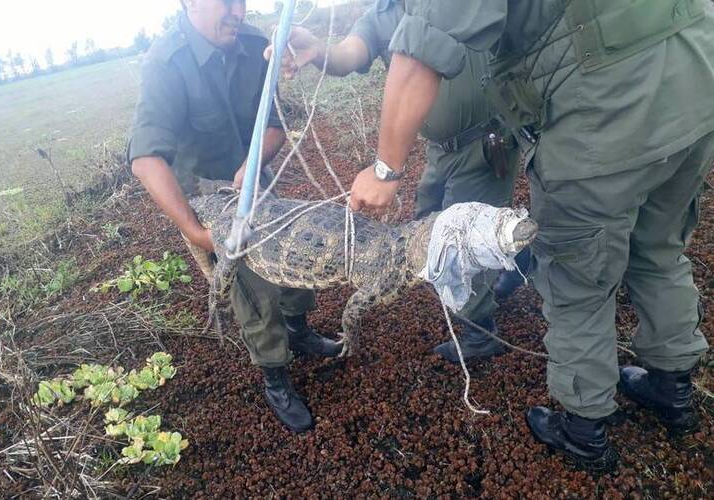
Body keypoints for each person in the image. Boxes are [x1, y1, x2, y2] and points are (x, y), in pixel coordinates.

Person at [349, 0, 714, 472]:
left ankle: (584, 431)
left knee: (576, 280)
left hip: (606, 114)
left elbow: (423, 47)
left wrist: (384, 169)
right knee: (660, 249)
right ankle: (674, 388)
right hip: (695, 84)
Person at [271, 0, 531, 364]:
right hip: (440, 149)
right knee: (426, 224)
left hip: (485, 144)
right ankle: (518, 255)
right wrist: (318, 49)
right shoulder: (383, 13)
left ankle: (479, 333)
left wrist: (384, 170)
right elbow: (349, 54)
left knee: (456, 247)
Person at [127, 0, 342, 434]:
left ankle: (299, 331)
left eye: (242, 0)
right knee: (257, 291)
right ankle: (276, 377)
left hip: (257, 184)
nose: (238, 11)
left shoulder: (255, 44)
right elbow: (146, 159)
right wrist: (195, 231)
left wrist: (252, 164)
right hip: (211, 198)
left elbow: (277, 124)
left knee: (296, 264)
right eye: (226, 1)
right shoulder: (165, 62)